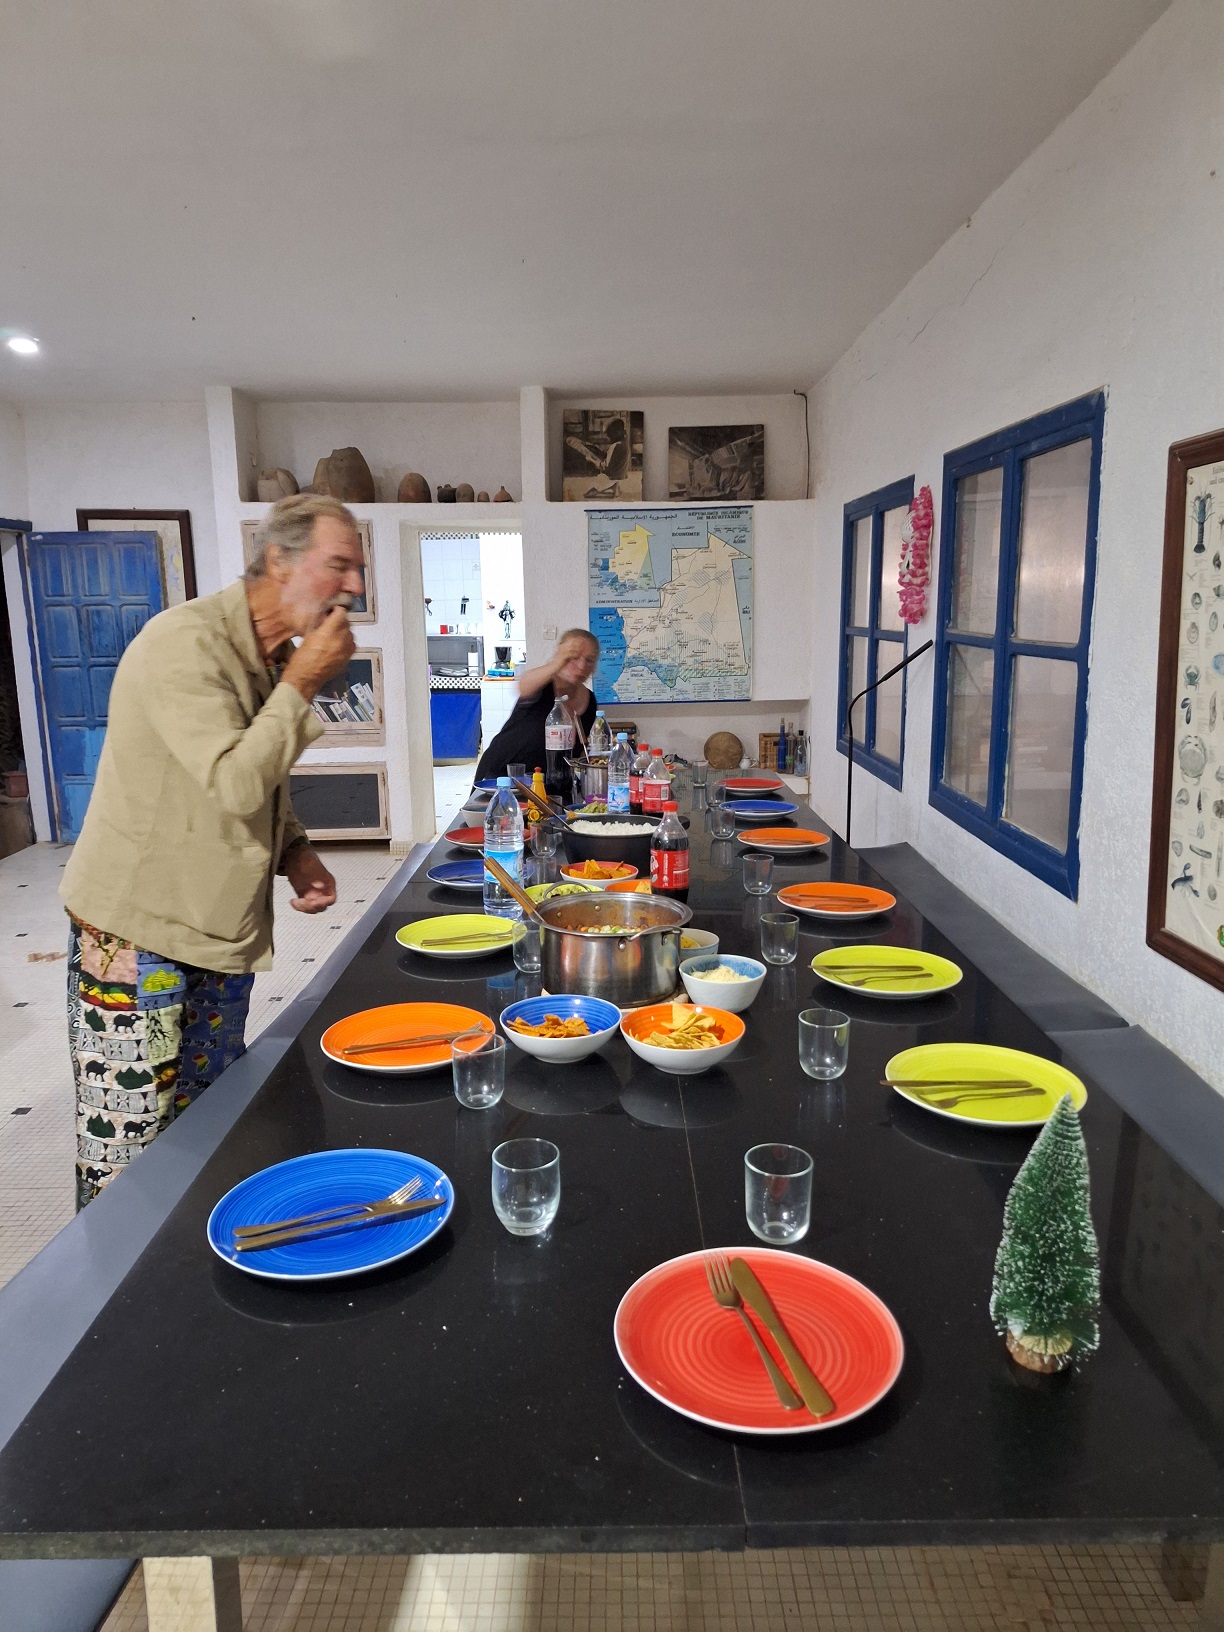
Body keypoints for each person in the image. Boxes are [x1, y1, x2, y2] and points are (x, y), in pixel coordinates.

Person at [60, 493, 364, 1206]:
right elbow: (234, 781)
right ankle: (113, 1280)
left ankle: (187, 1264)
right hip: (137, 931)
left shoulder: (267, 656)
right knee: (128, 1149)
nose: (353, 586)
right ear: (279, 560)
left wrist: (295, 851)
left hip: (218, 929)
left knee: (208, 1128)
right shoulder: (186, 644)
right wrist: (303, 683)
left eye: (357, 569)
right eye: (339, 565)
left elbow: (259, 781)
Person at [474, 629, 600, 783]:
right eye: (573, 657)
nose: (581, 666)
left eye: (589, 660)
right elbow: (523, 685)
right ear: (560, 655)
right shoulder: (541, 684)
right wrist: (557, 663)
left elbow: (577, 753)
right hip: (501, 777)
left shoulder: (590, 702)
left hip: (545, 784)